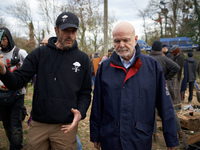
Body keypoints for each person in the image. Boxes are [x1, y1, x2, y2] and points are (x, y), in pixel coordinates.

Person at [0, 12, 91, 150]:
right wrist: (3, 71)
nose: (70, 35)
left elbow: (85, 93)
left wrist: (81, 112)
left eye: (73, 31)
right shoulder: (40, 53)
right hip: (39, 123)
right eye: (66, 30)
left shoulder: (83, 59)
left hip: (65, 126)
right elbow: (17, 81)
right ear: (56, 30)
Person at [90, 22, 179, 150]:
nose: (121, 45)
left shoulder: (152, 67)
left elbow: (165, 105)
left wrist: (171, 138)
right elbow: (97, 104)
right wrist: (95, 135)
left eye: (126, 40)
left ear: (135, 39)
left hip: (139, 138)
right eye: (117, 41)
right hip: (111, 137)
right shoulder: (104, 68)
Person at [149, 41, 184, 142]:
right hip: (163, 87)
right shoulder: (164, 59)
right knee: (169, 110)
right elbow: (176, 67)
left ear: (152, 49)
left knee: (152, 112)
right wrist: (165, 78)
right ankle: (180, 133)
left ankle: (155, 135)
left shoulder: (147, 59)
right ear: (160, 49)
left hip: (150, 88)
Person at [0, 27, 28, 150]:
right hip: (1, 95)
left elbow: (29, 70)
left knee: (16, 125)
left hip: (17, 95)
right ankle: (13, 143)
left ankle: (16, 147)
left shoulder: (20, 52)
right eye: (1, 40)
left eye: (4, 39)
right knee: (6, 124)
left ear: (9, 39)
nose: (2, 42)